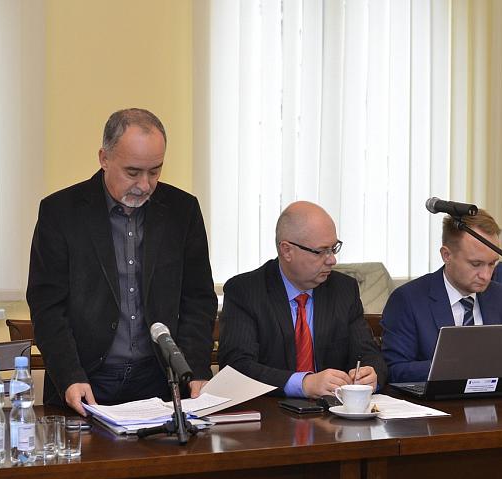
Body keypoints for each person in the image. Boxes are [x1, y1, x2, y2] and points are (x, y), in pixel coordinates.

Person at [27, 108, 217, 416]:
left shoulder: (182, 211)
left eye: (155, 171)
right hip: (88, 380)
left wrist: (194, 368)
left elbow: (198, 299)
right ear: (104, 158)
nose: (145, 184)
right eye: (132, 172)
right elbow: (47, 306)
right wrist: (70, 375)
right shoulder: (61, 212)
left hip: (160, 379)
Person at [218, 201, 387, 398]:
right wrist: (303, 383)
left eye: (333, 248)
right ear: (287, 250)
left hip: (333, 411)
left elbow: (368, 354)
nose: (332, 260)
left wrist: (371, 375)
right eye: (321, 251)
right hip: (270, 410)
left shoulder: (343, 289)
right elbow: (237, 367)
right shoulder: (245, 291)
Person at [381, 209, 502, 383]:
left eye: (492, 264)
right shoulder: (408, 299)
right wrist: (457, 366)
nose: (486, 275)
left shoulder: (499, 296)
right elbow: (394, 370)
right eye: (476, 264)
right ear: (446, 255)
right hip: (435, 398)